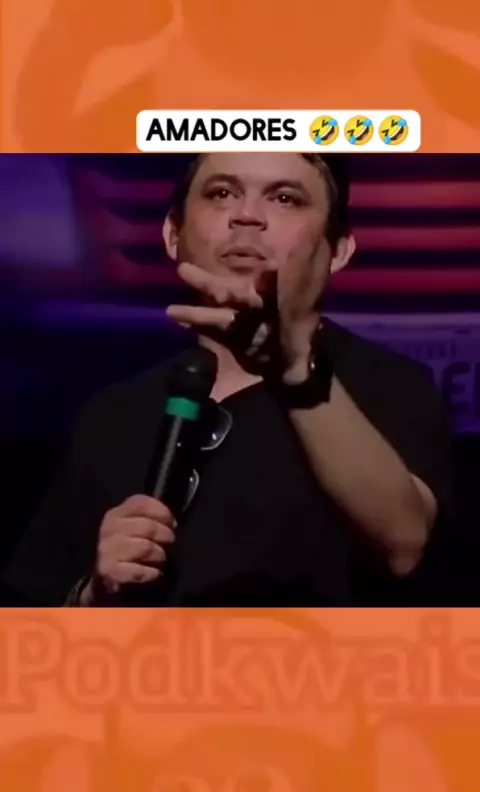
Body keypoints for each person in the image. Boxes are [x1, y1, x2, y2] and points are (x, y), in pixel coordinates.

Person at [2, 152, 454, 607]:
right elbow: (35, 618)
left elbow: (404, 544)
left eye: (284, 198)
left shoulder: (391, 386)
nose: (247, 215)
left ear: (338, 249)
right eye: (221, 193)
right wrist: (94, 593)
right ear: (172, 233)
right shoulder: (111, 415)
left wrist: (295, 369)